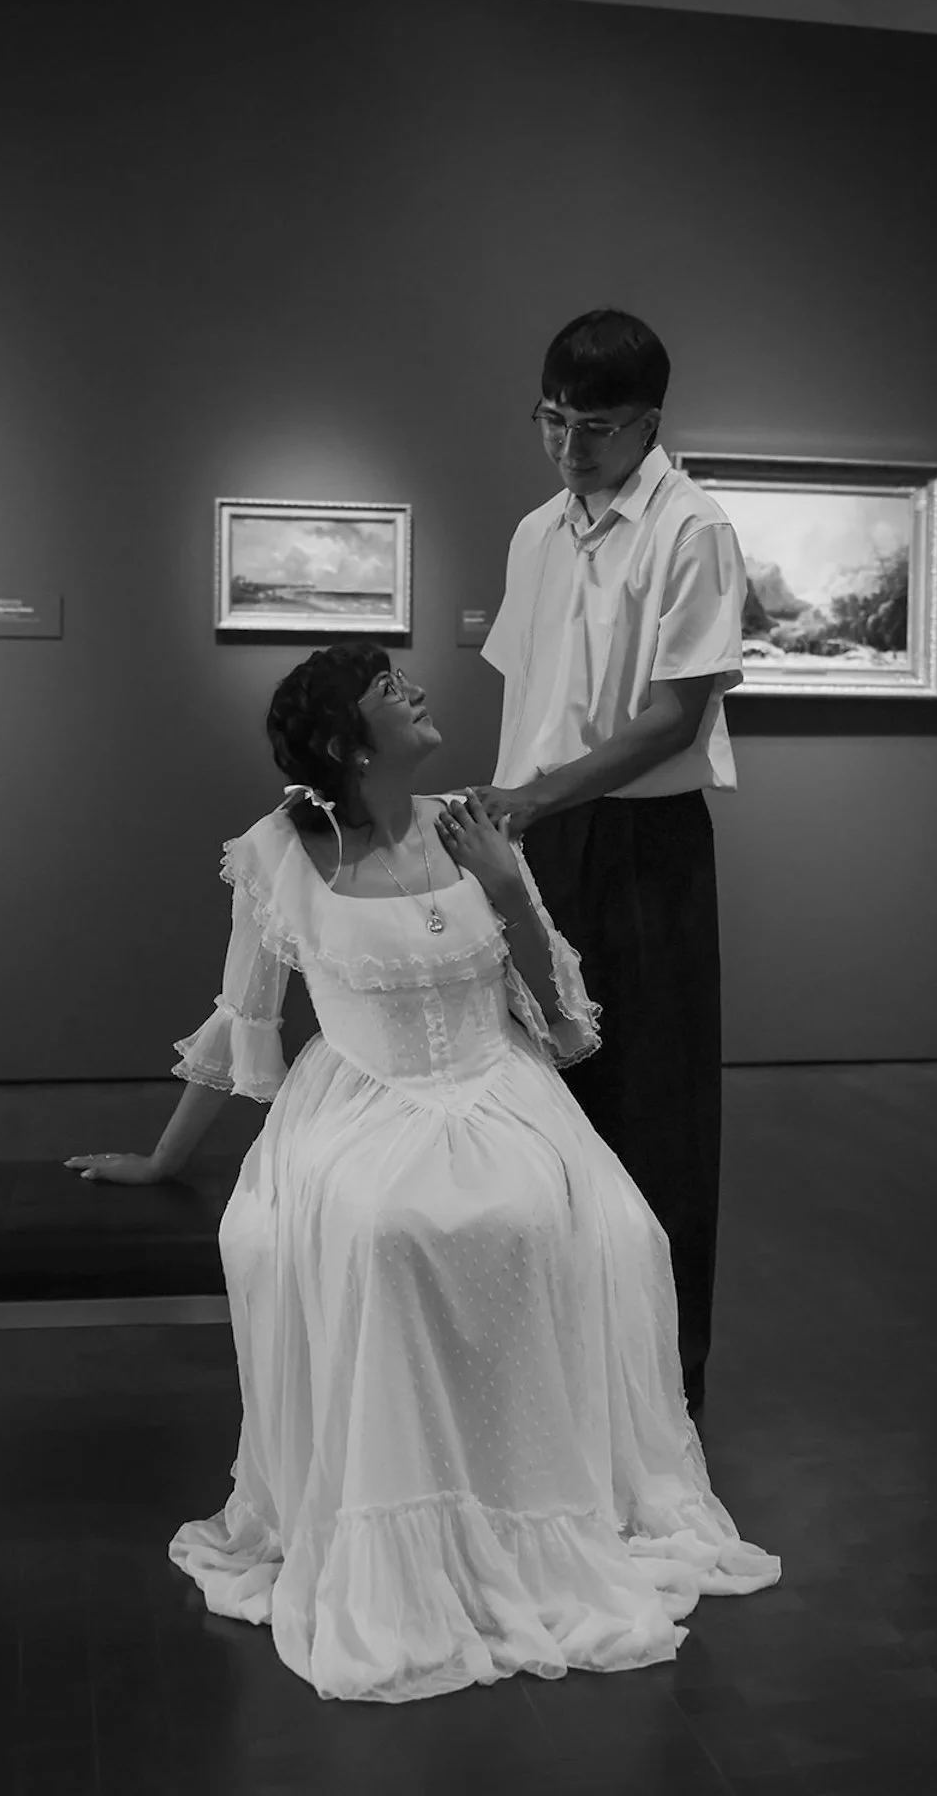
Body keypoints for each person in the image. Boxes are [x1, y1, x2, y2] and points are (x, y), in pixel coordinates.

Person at [66, 642, 777, 1703]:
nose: (417, 693)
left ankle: (535, 1498)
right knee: (384, 1231)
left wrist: (508, 888)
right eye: (389, 692)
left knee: (578, 1224)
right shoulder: (278, 854)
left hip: (498, 1086)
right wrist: (162, 1157)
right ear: (352, 743)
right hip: (360, 1098)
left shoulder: (477, 826)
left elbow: (567, 1026)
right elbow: (243, 1020)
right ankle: (405, 1513)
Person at [475, 309, 747, 1417]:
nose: (568, 445)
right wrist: (501, 838)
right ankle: (552, 1380)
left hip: (640, 848)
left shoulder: (691, 530)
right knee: (534, 1106)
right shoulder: (536, 530)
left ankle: (659, 1400)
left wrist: (533, 799)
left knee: (653, 1117)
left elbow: (676, 717)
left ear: (648, 422)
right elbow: (525, 701)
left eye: (593, 426)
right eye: (551, 419)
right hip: (538, 840)